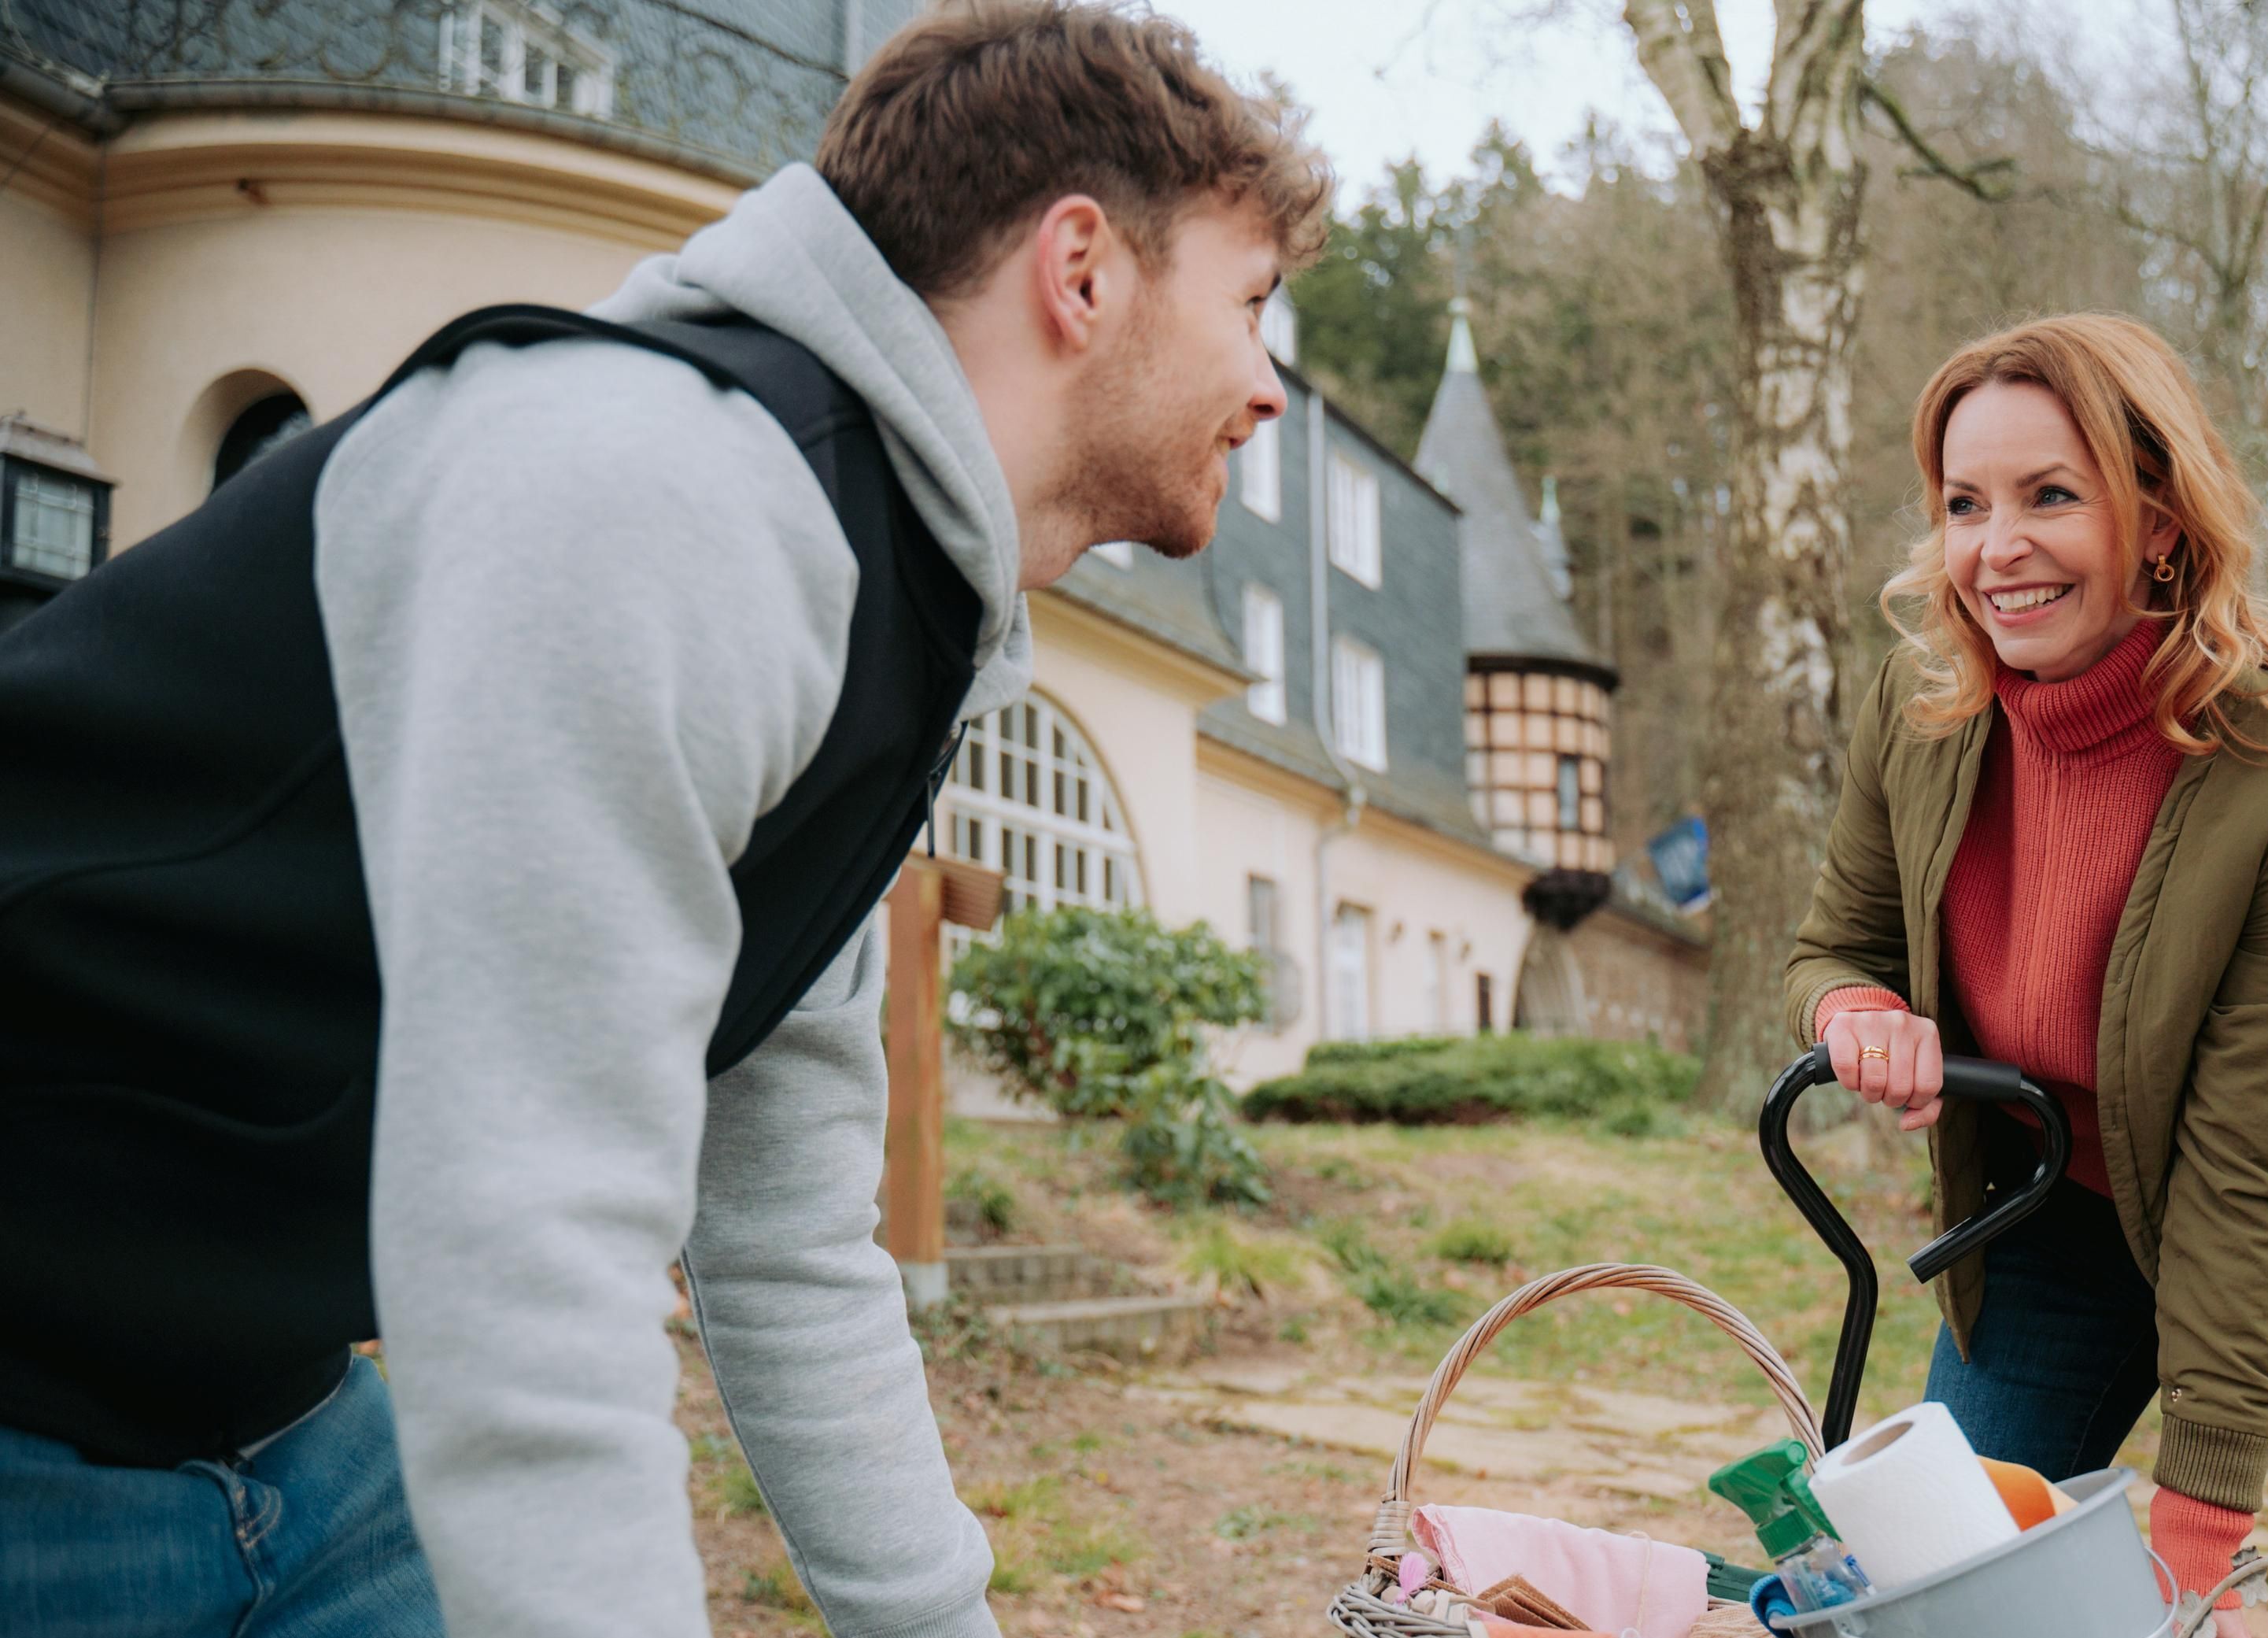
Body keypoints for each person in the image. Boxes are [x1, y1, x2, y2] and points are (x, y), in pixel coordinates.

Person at [0, 5, 1324, 1635]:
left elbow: (783, 1238)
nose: (1265, 387)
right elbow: (527, 1244)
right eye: (1249, 306)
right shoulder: (659, 496)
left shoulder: (890, 615)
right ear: (1081, 271)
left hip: (279, 1411)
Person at [1785, 314, 2268, 1635]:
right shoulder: (1920, 710)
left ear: (2162, 519)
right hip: (2057, 1207)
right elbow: (1837, 943)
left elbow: (2252, 1176)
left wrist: (2199, 1524)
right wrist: (1859, 1009)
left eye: (2050, 496)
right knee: (1949, 1612)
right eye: (1965, 503)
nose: (1996, 547)